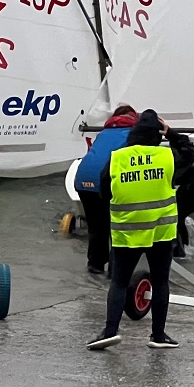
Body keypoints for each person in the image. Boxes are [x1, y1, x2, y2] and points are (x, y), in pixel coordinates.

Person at [88, 109, 180, 351]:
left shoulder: (118, 157)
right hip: (160, 232)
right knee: (160, 283)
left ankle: (110, 331)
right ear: (157, 134)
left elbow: (104, 191)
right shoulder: (167, 156)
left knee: (119, 282)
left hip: (127, 232)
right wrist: (172, 134)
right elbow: (191, 156)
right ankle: (158, 336)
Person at [72, 105, 139, 274]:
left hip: (83, 178)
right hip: (106, 178)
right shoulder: (134, 135)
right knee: (117, 228)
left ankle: (95, 267)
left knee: (96, 228)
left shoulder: (103, 133)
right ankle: (115, 274)